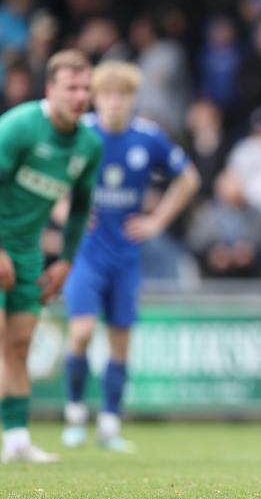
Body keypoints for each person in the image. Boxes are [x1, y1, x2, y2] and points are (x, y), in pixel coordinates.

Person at [60, 62, 200, 452]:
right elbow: (47, 172)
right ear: (96, 98)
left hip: (125, 256)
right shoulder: (81, 133)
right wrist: (62, 212)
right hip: (86, 254)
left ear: (132, 98)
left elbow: (189, 178)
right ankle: (74, 414)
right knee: (82, 332)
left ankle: (109, 424)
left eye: (123, 95)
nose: (115, 102)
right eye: (107, 94)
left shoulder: (148, 137)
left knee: (120, 341)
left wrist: (157, 221)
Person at [0, 50, 103, 463]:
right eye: (71, 88)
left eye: (85, 88)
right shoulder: (20, 127)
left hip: (27, 254)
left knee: (19, 346)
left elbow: (80, 207)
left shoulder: (88, 145)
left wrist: (65, 261)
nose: (80, 96)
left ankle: (17, 439)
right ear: (50, 90)